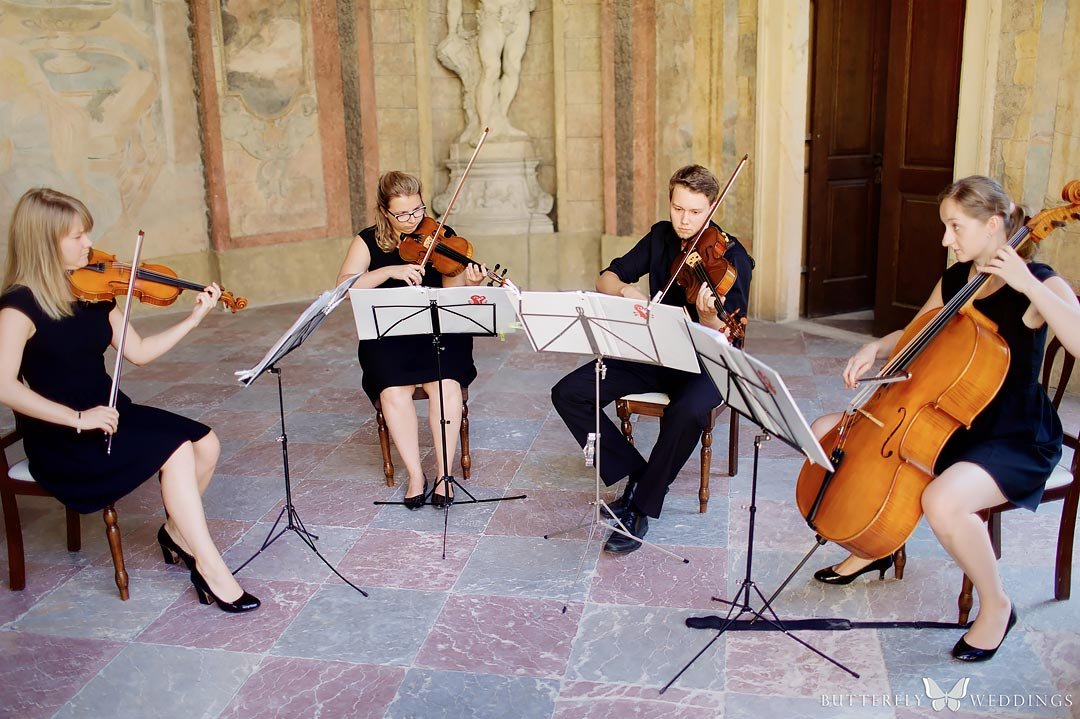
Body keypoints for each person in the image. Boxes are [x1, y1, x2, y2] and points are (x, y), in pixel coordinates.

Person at [809, 175, 1080, 662]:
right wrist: (877, 346)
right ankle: (876, 543)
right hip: (950, 419)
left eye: (954, 227)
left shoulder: (1037, 280)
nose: (945, 239)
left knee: (943, 500)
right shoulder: (957, 278)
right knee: (828, 431)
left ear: (993, 224)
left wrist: (1027, 286)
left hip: (1014, 436)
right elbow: (918, 330)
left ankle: (996, 605)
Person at [0, 187, 259, 613]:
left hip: (112, 412)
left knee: (206, 443)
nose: (90, 245)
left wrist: (194, 319)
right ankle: (210, 567)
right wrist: (77, 418)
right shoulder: (18, 307)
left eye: (87, 234)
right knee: (175, 450)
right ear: (44, 242)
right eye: (77, 237)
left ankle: (176, 534)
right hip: (63, 435)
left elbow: (137, 352)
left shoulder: (93, 292)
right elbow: (6, 386)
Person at [550, 164, 754, 554]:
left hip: (705, 361)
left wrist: (708, 314)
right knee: (570, 392)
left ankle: (641, 506)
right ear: (670, 202)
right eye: (678, 208)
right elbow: (605, 277)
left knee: (688, 412)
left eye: (695, 212)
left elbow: (730, 337)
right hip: (655, 351)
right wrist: (627, 290)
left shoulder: (732, 257)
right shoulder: (661, 236)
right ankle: (639, 475)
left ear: (711, 208)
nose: (684, 220)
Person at [336, 171, 488, 508]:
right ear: (384, 211)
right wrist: (388, 271)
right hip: (390, 337)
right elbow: (344, 287)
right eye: (402, 214)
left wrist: (469, 281)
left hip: (438, 333)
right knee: (392, 390)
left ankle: (443, 476)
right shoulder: (367, 240)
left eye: (417, 210)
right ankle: (416, 474)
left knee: (446, 386)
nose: (412, 220)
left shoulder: (443, 237)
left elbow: (455, 298)